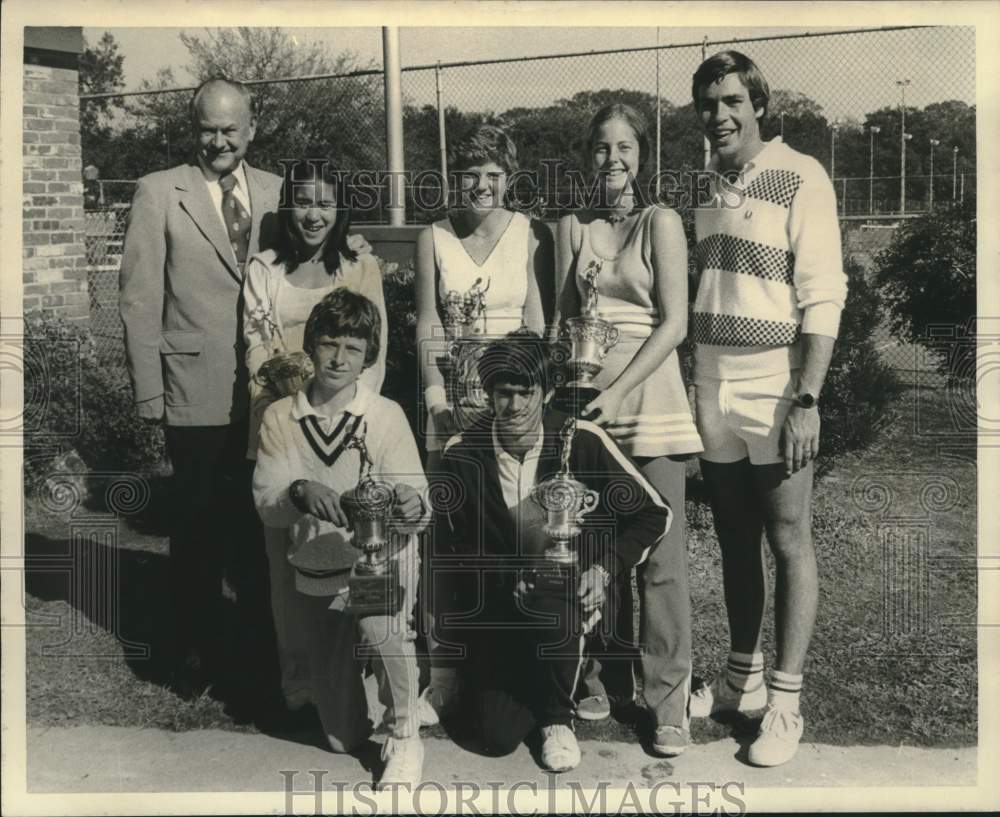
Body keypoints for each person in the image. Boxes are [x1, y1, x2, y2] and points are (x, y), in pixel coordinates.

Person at [688, 51, 847, 767]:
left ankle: (786, 703)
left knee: (789, 539)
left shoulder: (802, 174)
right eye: (709, 103)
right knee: (732, 539)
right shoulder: (705, 186)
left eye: (732, 101)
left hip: (775, 384)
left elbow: (823, 295)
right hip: (713, 383)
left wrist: (807, 398)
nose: (720, 115)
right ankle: (742, 678)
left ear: (757, 105)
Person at [424, 330, 672, 772]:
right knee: (495, 737)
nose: (515, 406)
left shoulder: (582, 439)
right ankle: (498, 682)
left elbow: (655, 513)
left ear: (549, 391)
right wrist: (502, 577)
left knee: (556, 585)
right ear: (488, 392)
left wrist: (605, 567)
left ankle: (558, 719)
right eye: (504, 392)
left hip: (565, 597)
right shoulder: (463, 454)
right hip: (497, 609)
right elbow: (450, 550)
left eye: (527, 392)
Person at [119, 77, 284, 704]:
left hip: (266, 391)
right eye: (207, 130)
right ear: (194, 130)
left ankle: (253, 651)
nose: (219, 141)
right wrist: (148, 393)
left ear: (251, 128)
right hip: (193, 386)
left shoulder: (274, 191)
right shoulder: (160, 191)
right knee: (196, 528)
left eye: (230, 130)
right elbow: (138, 298)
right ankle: (191, 650)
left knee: (255, 525)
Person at [553, 103, 702, 757]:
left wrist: (617, 391)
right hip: (591, 415)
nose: (612, 159)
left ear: (641, 156)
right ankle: (602, 676)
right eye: (600, 148)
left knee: (661, 562)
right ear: (586, 156)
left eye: (624, 147)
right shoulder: (570, 228)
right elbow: (563, 321)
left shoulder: (660, 221)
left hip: (654, 410)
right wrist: (577, 393)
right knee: (596, 548)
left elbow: (675, 323)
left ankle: (668, 701)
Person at [252, 289, 430, 788]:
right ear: (310, 346)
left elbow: (415, 491)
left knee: (380, 627)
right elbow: (267, 501)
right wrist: (301, 490)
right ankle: (383, 691)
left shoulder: (385, 413)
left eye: (352, 348)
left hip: (378, 561)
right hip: (317, 567)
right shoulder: (279, 417)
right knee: (341, 737)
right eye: (329, 343)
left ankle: (406, 735)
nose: (338, 358)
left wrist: (413, 504)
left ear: (368, 356)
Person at [242, 159, 387, 712]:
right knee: (286, 563)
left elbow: (374, 356)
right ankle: (299, 679)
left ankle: (365, 672)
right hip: (279, 425)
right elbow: (256, 345)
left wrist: (344, 416)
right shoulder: (266, 266)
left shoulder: (359, 265)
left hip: (350, 431)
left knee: (355, 550)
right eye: (303, 200)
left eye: (325, 202)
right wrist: (289, 402)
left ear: (340, 207)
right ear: (287, 205)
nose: (313, 213)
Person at [414, 124, 552, 470]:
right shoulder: (432, 237)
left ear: (509, 178)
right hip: (452, 394)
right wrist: (436, 402)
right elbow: (429, 322)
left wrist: (526, 393)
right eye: (471, 174)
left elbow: (537, 324)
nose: (482, 185)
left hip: (513, 392)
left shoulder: (532, 233)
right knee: (451, 495)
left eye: (494, 174)